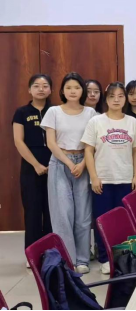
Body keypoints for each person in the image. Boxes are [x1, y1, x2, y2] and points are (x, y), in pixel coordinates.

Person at [41, 72, 97, 274]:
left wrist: (81, 164)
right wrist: (68, 162)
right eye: (68, 88)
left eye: (77, 87)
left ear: (83, 91)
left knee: (83, 215)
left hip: (84, 163)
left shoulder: (91, 113)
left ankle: (82, 259)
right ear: (62, 91)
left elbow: (93, 142)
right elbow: (51, 143)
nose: (73, 91)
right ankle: (68, 260)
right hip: (59, 162)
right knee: (62, 214)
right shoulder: (54, 112)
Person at [82, 82, 136, 275]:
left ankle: (126, 258)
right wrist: (94, 177)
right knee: (103, 220)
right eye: (112, 96)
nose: (116, 100)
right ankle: (105, 258)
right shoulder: (96, 121)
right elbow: (88, 150)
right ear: (106, 99)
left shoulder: (132, 122)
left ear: (125, 99)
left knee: (125, 221)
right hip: (103, 180)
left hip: (126, 178)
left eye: (120, 96)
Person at [12, 74, 53, 263]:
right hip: (31, 168)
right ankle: (33, 256)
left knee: (52, 212)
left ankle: (51, 253)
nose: (41, 89)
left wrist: (54, 163)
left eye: (45, 86)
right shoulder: (21, 112)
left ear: (51, 90)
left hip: (54, 166)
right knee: (33, 212)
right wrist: (36, 165)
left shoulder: (55, 111)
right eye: (36, 86)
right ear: (29, 90)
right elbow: (18, 141)